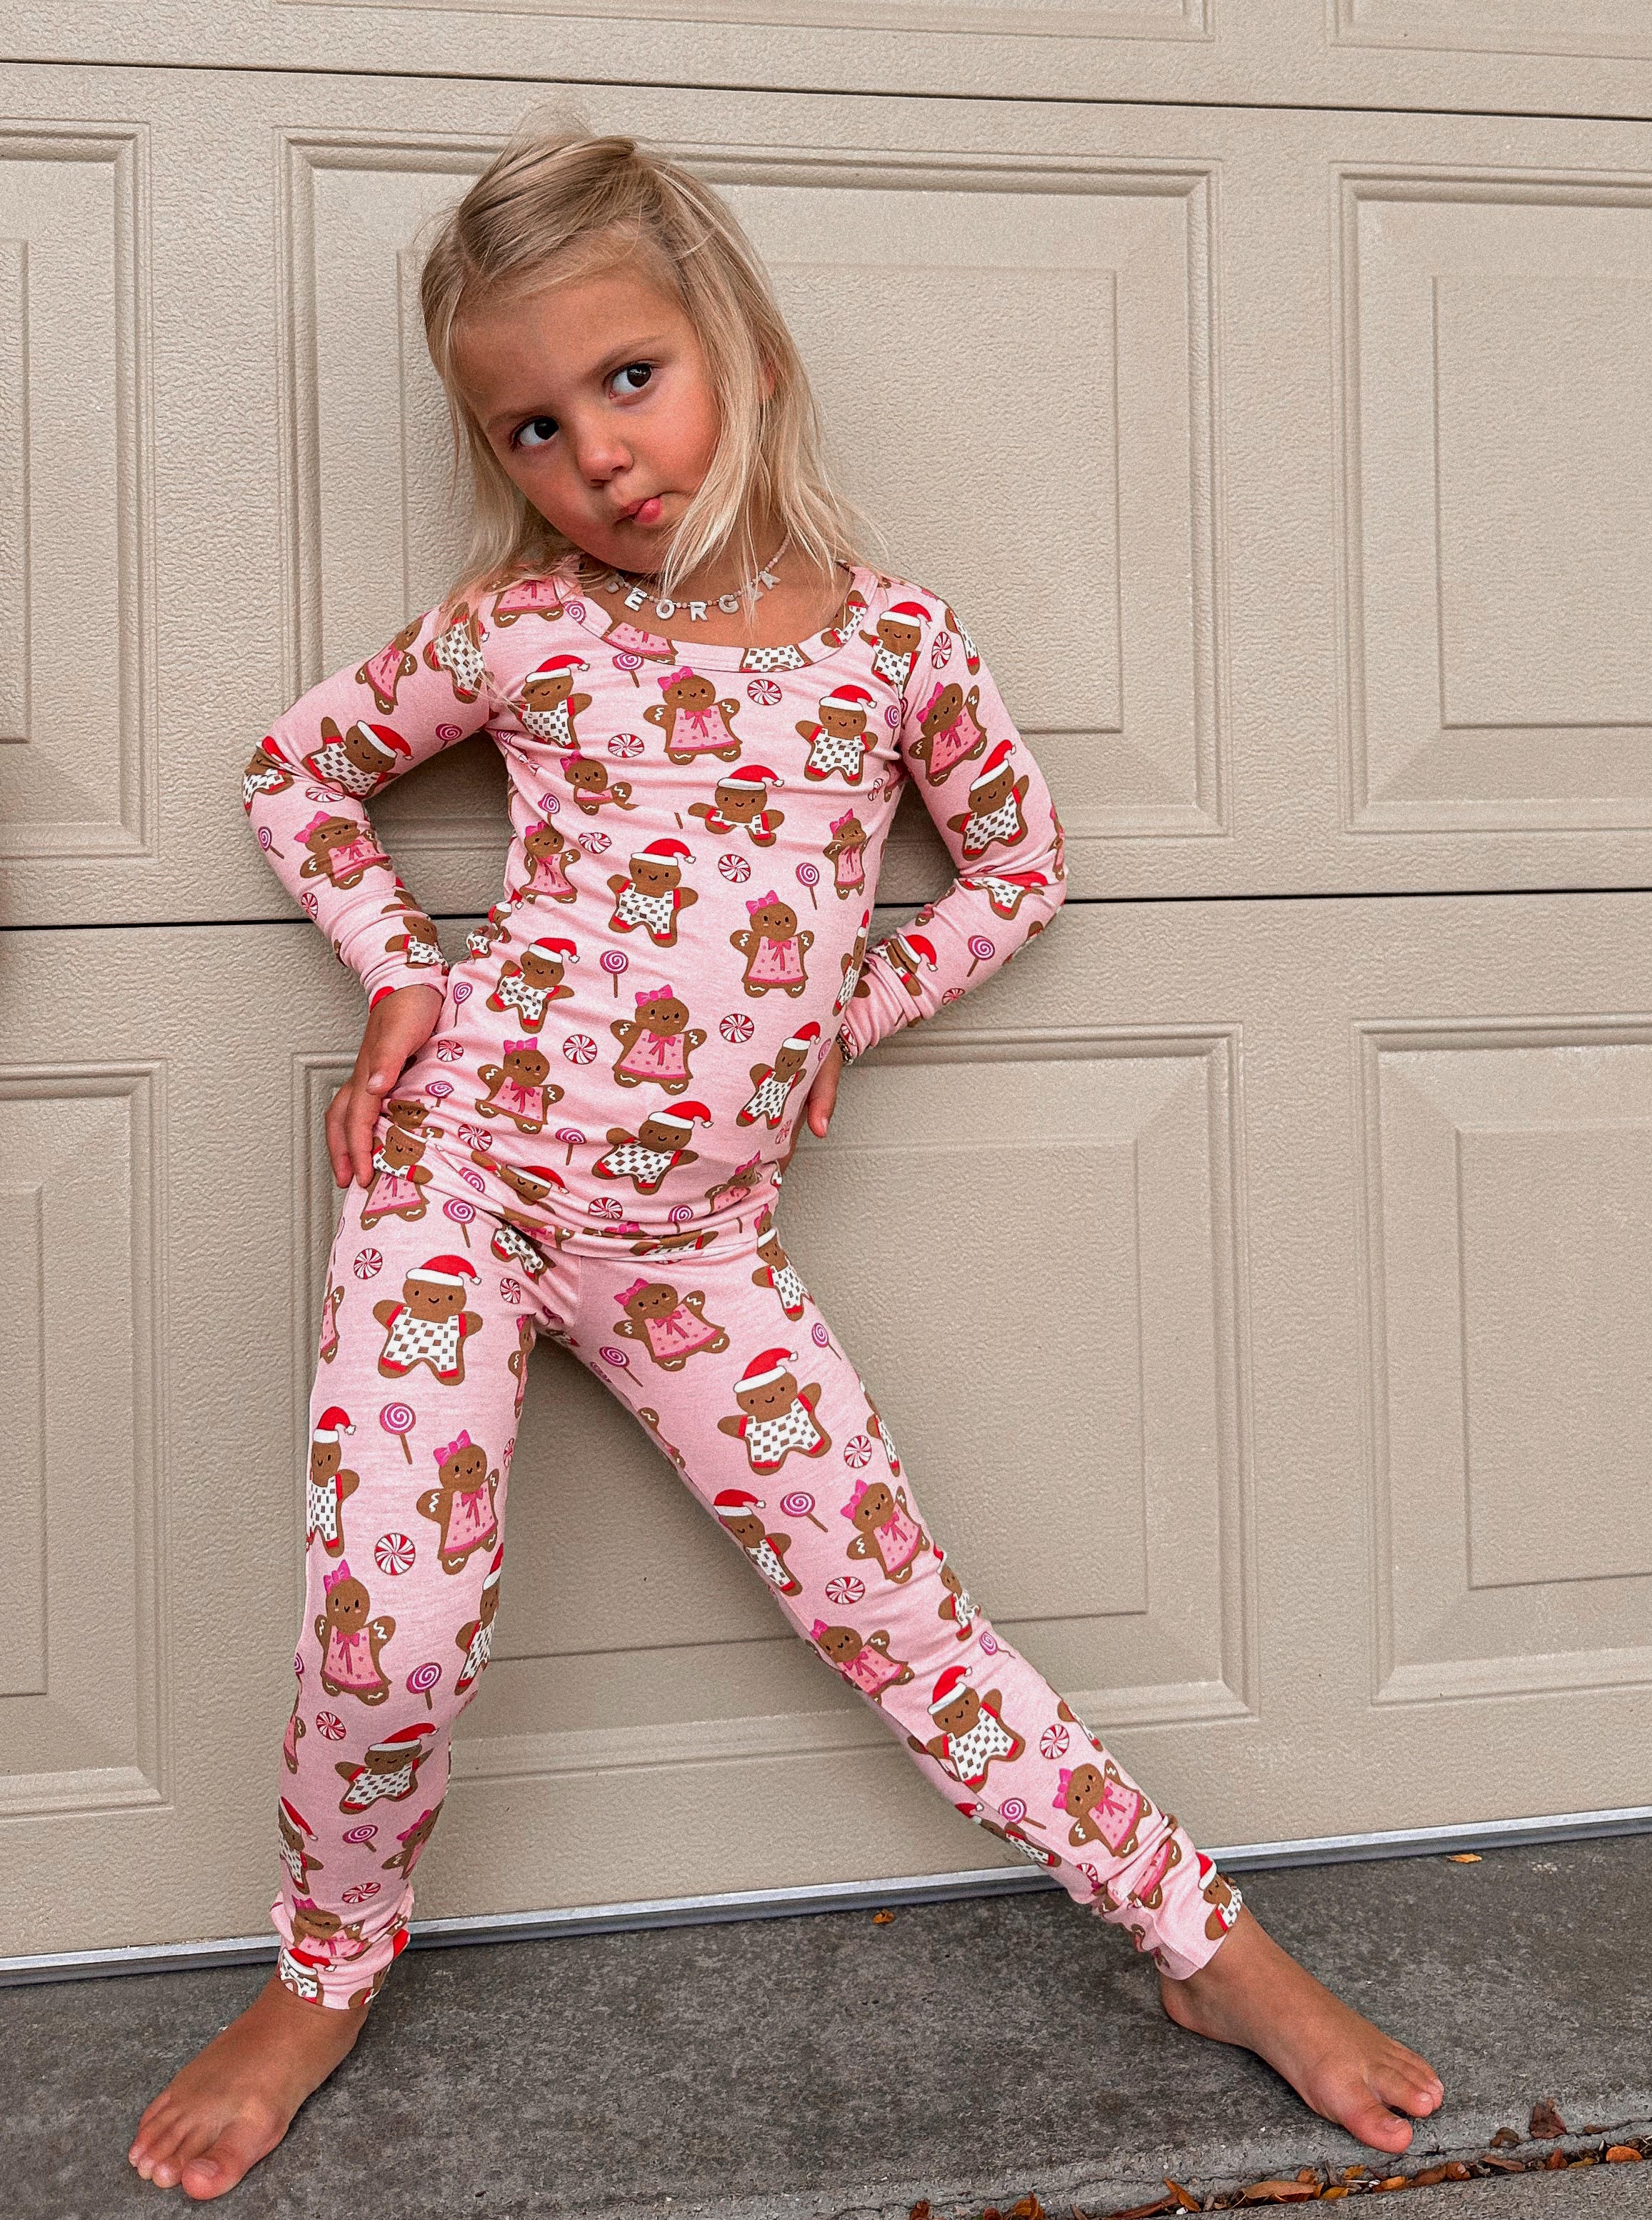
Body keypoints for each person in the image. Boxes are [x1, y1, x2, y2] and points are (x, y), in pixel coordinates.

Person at [128, 124, 1443, 2201]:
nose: (597, 458)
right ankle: (324, 1960)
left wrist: (846, 1004)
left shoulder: (894, 648)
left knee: (901, 1604)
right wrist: (392, 970)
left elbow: (1021, 863)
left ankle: (1209, 1943)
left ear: (732, 340)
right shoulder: (521, 633)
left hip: (696, 1250)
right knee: (387, 1624)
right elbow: (298, 772)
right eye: (534, 426)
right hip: (458, 1182)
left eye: (628, 379)